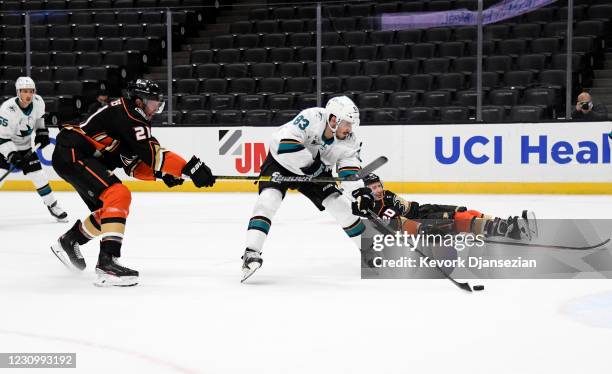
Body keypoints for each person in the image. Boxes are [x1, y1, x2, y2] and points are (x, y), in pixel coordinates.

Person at [50, 79, 216, 287]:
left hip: (76, 154)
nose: (157, 108)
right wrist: (189, 168)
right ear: (139, 101)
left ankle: (71, 240)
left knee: (111, 209)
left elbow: (134, 165)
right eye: (154, 102)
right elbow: (154, 155)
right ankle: (107, 264)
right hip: (73, 151)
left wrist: (161, 175)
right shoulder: (129, 115)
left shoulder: (128, 118)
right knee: (118, 195)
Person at [241, 96, 365, 282]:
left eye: (351, 124)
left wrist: (358, 192)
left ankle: (370, 251)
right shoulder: (312, 117)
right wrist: (312, 167)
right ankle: (251, 253)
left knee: (339, 205)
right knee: (268, 200)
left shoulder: (349, 140)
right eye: (346, 123)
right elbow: (287, 145)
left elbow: (349, 169)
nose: (349, 129)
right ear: (333, 119)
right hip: (281, 162)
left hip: (315, 171)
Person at [352, 173, 535, 241]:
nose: (377, 189)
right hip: (422, 222)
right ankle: (506, 230)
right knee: (462, 219)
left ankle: (505, 225)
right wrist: (425, 231)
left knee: (465, 212)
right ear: (366, 191)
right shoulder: (377, 209)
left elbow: (416, 208)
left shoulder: (388, 194)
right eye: (372, 188)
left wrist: (451, 207)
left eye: (378, 185)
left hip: (423, 211)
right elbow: (401, 225)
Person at [0, 76, 68, 221]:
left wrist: (42, 132)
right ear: (18, 92)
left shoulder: (38, 101)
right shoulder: (7, 109)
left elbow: (39, 120)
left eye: (31, 91)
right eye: (24, 91)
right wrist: (12, 155)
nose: (28, 94)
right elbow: (2, 138)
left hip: (25, 147)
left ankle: (53, 205)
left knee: (39, 176)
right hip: (4, 147)